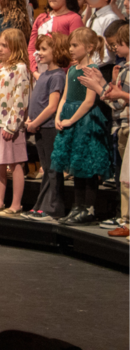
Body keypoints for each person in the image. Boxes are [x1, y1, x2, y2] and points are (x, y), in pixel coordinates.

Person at [52, 27, 110, 225]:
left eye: (75, 45)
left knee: (88, 165)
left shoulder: (92, 70)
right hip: (70, 117)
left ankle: (89, 208)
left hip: (85, 121)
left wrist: (71, 119)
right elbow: (65, 95)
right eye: (70, 45)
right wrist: (59, 115)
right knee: (75, 165)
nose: (71, 49)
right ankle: (77, 206)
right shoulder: (72, 70)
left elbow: (88, 101)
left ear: (89, 47)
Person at [80, 23, 130, 236]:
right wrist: (101, 84)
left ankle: (126, 221)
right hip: (120, 125)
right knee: (124, 177)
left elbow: (121, 100)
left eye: (118, 44)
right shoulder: (123, 69)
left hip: (127, 125)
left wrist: (104, 89)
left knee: (127, 178)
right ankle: (125, 220)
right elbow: (116, 103)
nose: (115, 49)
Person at [0, 28, 32, 217]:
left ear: (15, 47)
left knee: (15, 163)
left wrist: (12, 124)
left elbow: (21, 99)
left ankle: (16, 204)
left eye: (5, 46)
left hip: (9, 125)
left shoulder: (20, 69)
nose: (0, 49)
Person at [21, 32, 70, 221]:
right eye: (38, 49)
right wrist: (30, 120)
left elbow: (52, 106)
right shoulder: (44, 74)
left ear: (56, 50)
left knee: (53, 168)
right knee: (47, 168)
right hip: (40, 127)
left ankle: (54, 208)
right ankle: (41, 205)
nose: (38, 53)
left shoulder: (57, 76)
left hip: (49, 127)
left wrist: (35, 122)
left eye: (43, 49)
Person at [28, 0, 84, 74]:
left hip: (61, 74)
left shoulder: (74, 18)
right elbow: (32, 48)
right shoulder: (41, 18)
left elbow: (76, 50)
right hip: (39, 73)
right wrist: (34, 71)